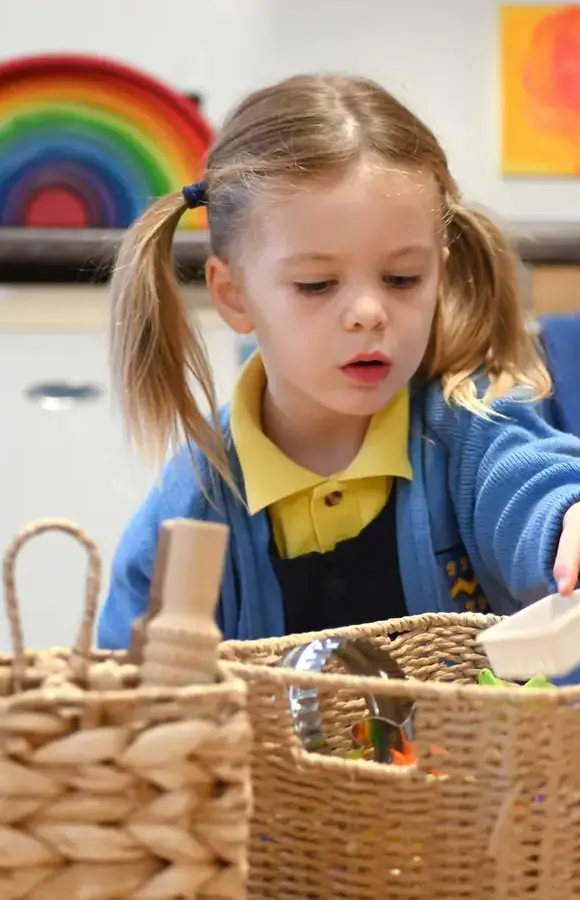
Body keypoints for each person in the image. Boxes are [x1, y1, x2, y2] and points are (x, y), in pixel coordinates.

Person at [98, 73, 580, 651]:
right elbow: (128, 688)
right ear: (233, 295)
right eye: (317, 284)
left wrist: (569, 520)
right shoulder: (195, 507)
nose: (370, 313)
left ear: (440, 272)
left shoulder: (473, 428)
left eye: (403, 278)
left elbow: (536, 485)